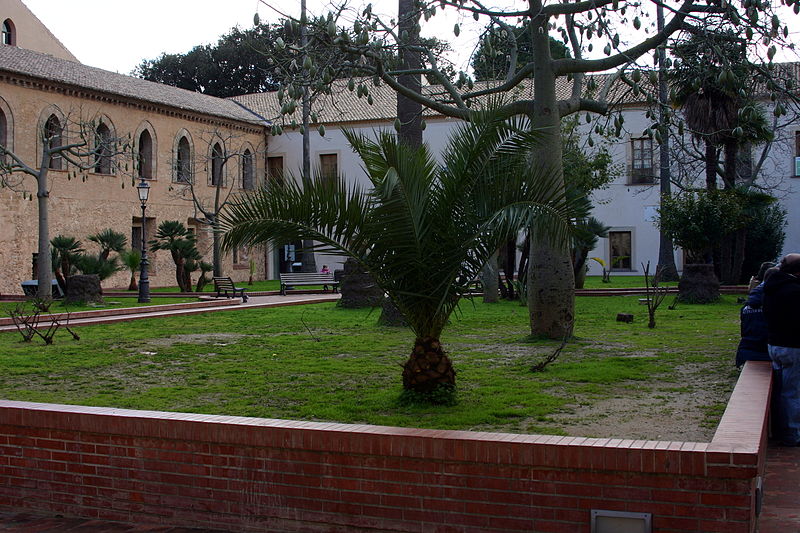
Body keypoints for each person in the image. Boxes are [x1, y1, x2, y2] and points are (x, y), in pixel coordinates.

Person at [763, 253, 800, 446]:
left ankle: (782, 428)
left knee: (781, 389)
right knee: (791, 390)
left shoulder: (771, 287)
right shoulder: (793, 291)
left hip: (775, 343)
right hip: (792, 345)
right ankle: (792, 433)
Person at [736, 267, 778, 367]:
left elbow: (744, 331)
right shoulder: (777, 305)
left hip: (746, 352)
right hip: (769, 355)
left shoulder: (746, 307)